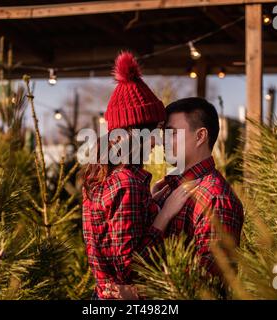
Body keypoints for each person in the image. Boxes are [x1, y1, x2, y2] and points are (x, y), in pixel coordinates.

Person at [81, 52, 196, 300]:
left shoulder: (104, 176)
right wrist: (163, 216)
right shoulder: (127, 184)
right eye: (154, 131)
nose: (157, 141)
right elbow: (128, 266)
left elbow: (110, 237)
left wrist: (149, 201)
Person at [154, 97, 244, 278]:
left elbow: (207, 282)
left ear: (200, 136)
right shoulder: (167, 188)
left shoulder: (215, 198)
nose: (163, 141)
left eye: (172, 133)